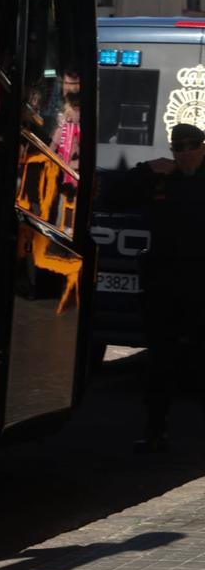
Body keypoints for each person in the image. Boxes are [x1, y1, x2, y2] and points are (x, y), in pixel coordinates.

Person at [107, 122, 205, 453]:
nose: (187, 153)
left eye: (193, 146)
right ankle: (154, 431)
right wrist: (147, 170)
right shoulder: (161, 178)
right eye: (180, 147)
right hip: (165, 285)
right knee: (160, 361)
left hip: (201, 286)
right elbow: (111, 196)